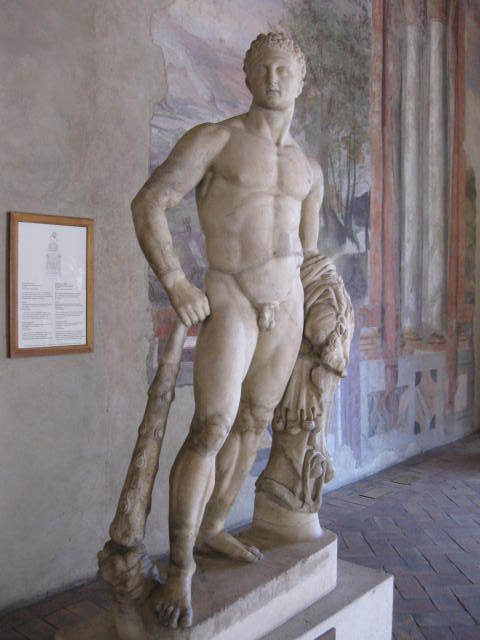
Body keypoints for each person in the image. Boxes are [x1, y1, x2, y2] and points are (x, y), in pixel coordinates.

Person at [131, 32, 323, 629]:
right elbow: (150, 202)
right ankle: (181, 568)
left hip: (287, 303)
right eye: (263, 68)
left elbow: (308, 253)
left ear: (300, 79)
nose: (273, 77)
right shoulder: (215, 139)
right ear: (247, 77)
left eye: (283, 69)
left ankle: (213, 526)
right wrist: (176, 282)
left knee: (253, 423)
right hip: (231, 294)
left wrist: (322, 320)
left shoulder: (309, 168)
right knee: (211, 426)